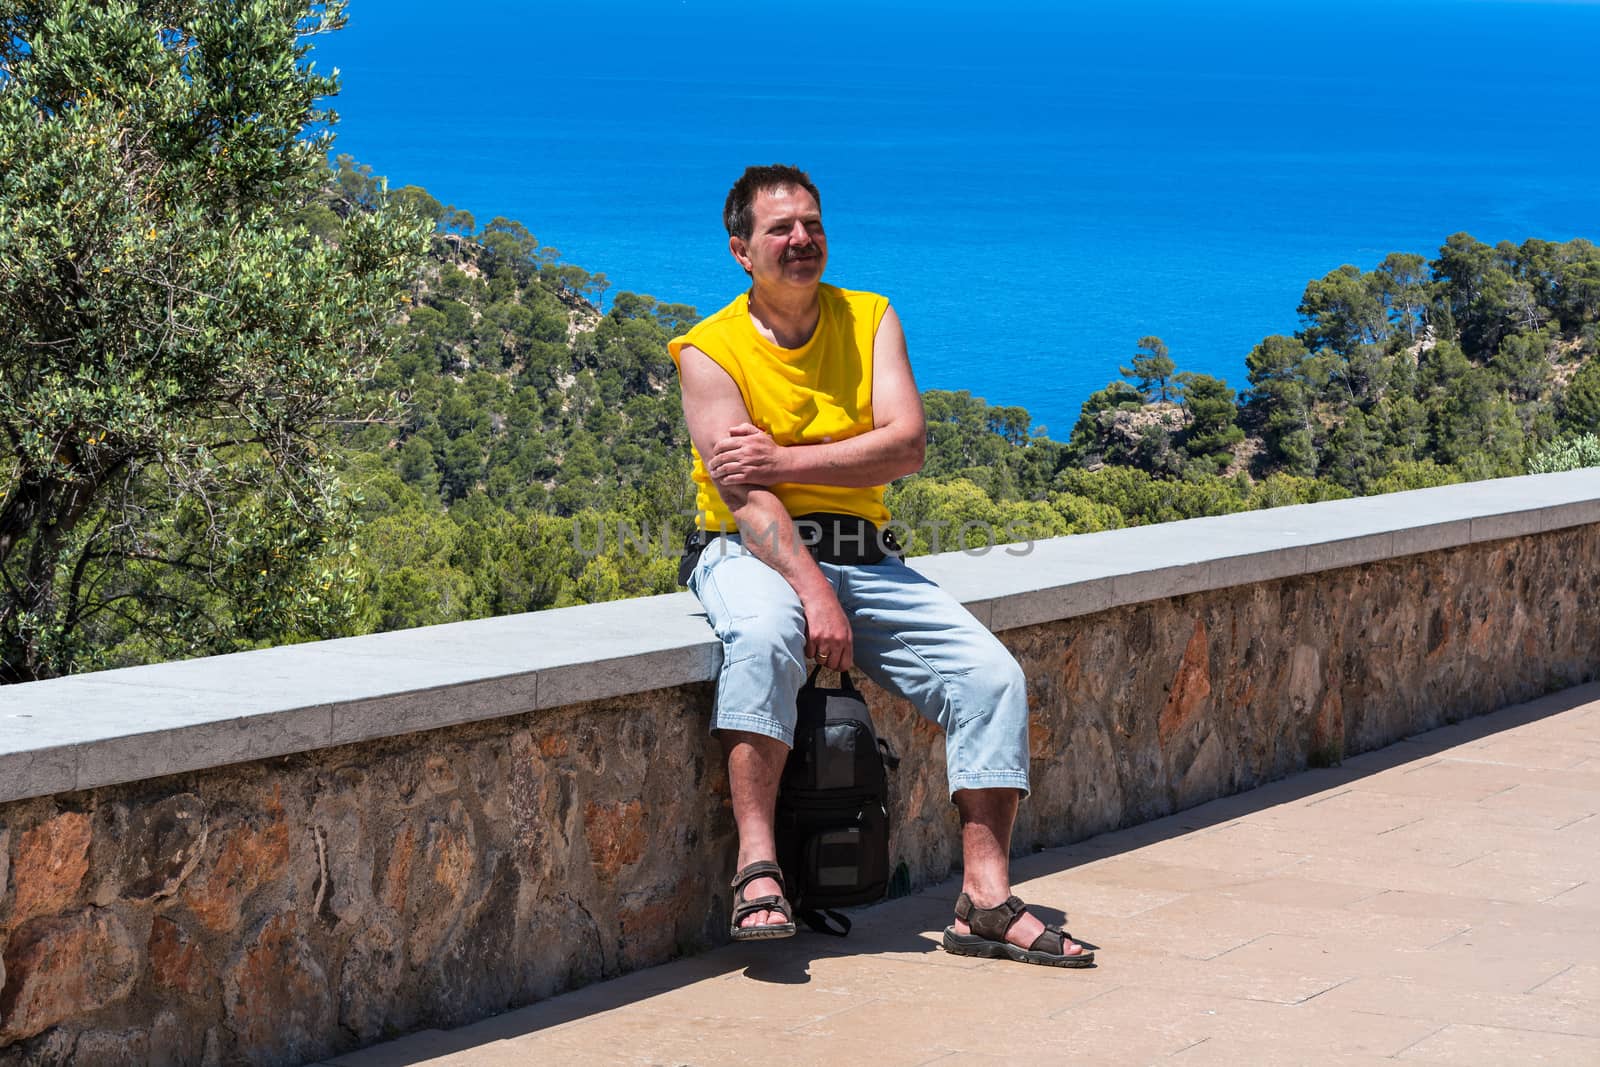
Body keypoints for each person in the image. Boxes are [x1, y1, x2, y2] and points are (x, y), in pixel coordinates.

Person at [668, 164, 1092, 967]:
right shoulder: (707, 350)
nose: (801, 240)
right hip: (752, 549)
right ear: (740, 250)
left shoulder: (870, 318)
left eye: (813, 224)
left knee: (992, 678)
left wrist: (783, 457)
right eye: (780, 229)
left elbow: (906, 446)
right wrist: (813, 589)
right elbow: (745, 499)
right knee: (764, 638)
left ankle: (984, 900)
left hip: (866, 554)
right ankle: (757, 869)